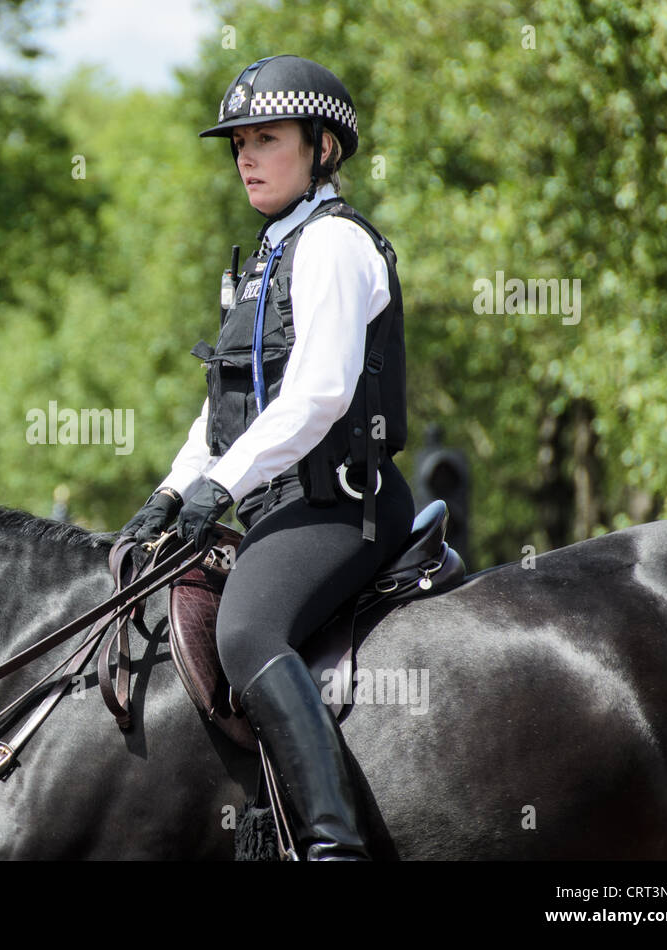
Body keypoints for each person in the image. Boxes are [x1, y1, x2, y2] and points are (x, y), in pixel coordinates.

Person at [119, 55, 414, 860]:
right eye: (239, 141)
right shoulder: (262, 261)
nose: (246, 156)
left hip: (340, 505)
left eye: (267, 139)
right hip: (275, 503)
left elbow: (319, 394)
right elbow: (222, 413)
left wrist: (219, 485)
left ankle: (331, 845)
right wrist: (172, 492)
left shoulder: (333, 246)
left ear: (324, 149)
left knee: (245, 634)